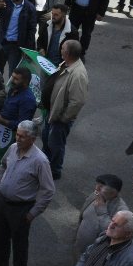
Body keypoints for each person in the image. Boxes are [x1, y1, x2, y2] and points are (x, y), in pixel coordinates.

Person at [0, 120, 55, 266]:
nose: (18, 138)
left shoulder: (40, 161)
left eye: (23, 136)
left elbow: (48, 191)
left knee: (19, 246)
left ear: (33, 138)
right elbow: (2, 165)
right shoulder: (13, 148)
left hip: (21, 208)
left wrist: (32, 213)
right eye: (17, 134)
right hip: (2, 202)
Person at [42, 40, 88, 179]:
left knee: (56, 145)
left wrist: (63, 118)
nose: (59, 50)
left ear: (67, 53)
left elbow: (77, 101)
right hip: (52, 112)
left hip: (59, 118)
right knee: (47, 140)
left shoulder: (78, 74)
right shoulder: (67, 64)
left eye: (62, 48)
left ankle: (54, 171)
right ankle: (45, 166)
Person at [73, 174, 126, 261]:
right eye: (97, 187)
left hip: (94, 256)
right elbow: (83, 214)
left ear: (114, 193)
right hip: (79, 246)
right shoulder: (97, 194)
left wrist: (101, 210)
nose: (96, 191)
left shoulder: (121, 211)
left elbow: (115, 233)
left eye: (100, 188)